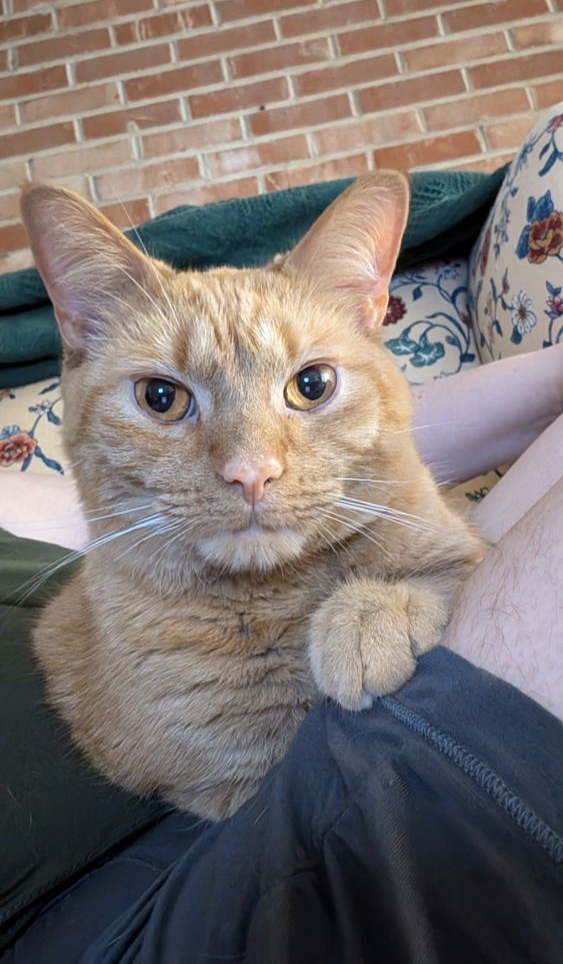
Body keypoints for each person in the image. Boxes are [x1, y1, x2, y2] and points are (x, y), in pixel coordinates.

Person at [1, 339, 562, 963]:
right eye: (164, 399)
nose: (251, 467)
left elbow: (350, 438)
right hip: (145, 908)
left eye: (311, 386)